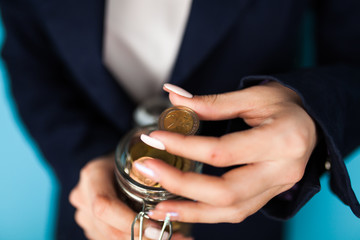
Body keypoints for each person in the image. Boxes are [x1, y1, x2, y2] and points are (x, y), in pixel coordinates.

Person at [1, 0, 359, 239]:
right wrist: (84, 160)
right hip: (93, 212)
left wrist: (311, 119)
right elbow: (28, 56)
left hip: (241, 212)